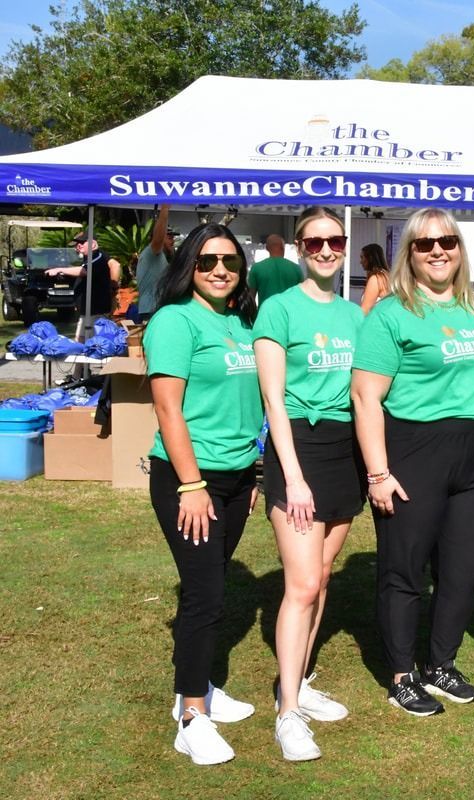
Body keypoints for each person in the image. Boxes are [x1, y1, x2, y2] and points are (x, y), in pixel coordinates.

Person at [352, 208, 474, 717]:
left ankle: (441, 661)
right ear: (409, 254)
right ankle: (401, 674)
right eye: (424, 244)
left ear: (461, 249)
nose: (438, 251)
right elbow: (365, 397)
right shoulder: (392, 314)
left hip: (472, 452)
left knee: (464, 570)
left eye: (447, 242)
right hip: (412, 451)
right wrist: (378, 472)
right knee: (405, 570)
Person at [145, 222, 262, 766]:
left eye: (231, 261)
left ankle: (200, 689)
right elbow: (168, 409)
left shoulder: (240, 322)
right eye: (208, 259)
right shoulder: (174, 321)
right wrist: (192, 485)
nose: (220, 269)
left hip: (237, 480)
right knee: (205, 595)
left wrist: (251, 475)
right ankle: (192, 714)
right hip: (190, 479)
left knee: (210, 582)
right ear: (189, 264)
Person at [253, 207, 365, 761]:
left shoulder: (355, 315)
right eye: (315, 241)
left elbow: (370, 393)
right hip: (297, 449)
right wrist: (293, 477)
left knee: (321, 577)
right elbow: (272, 399)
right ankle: (288, 713)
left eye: (334, 240)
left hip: (344, 452)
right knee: (300, 584)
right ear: (299, 247)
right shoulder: (278, 309)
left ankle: (297, 680)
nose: (326, 249)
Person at [136, 204, 177, 322]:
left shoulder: (161, 257)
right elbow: (158, 239)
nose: (173, 240)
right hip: (152, 311)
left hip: (158, 310)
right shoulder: (153, 253)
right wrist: (165, 209)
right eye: (169, 237)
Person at [249, 234, 303, 305]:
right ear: (282, 247)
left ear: (267, 248)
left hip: (266, 313)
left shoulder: (256, 268)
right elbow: (302, 296)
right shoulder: (296, 268)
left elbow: (251, 297)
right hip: (289, 314)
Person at [358, 243, 390, 314]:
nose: (360, 262)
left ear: (370, 258)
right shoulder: (386, 275)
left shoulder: (376, 279)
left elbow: (364, 311)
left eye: (362, 257)